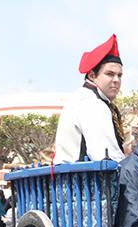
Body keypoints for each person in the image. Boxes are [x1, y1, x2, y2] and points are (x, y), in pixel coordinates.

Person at [53, 34, 127, 163]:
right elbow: (106, 155)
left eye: (119, 75)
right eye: (110, 74)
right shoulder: (92, 103)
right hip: (84, 180)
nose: (116, 80)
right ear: (92, 75)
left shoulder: (81, 97)